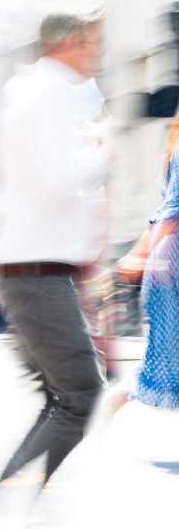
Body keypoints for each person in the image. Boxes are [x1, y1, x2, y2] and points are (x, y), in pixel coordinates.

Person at [0, 10, 108, 508]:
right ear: (70, 42)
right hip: (36, 273)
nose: (99, 52)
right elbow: (56, 181)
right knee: (80, 396)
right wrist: (101, 153)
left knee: (61, 398)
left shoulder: (36, 90)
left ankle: (7, 502)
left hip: (29, 270)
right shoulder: (46, 94)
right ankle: (1, 504)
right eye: (94, 42)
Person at [112, 114, 179, 411]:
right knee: (160, 363)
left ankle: (98, 419)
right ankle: (97, 421)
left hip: (166, 262)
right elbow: (170, 213)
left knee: (162, 361)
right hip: (171, 263)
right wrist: (143, 256)